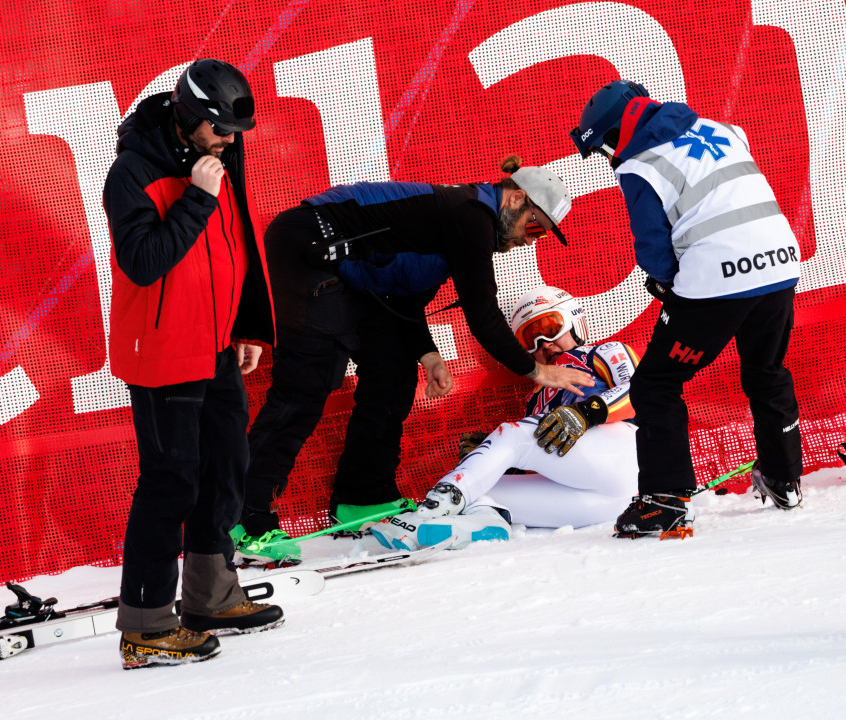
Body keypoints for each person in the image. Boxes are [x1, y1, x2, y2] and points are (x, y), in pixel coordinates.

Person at [230, 158, 595, 564]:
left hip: (345, 267)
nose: (530, 241)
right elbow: (483, 315)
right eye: (534, 227)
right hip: (308, 246)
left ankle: (362, 496)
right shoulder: (471, 215)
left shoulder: (461, 219)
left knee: (392, 370)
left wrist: (428, 354)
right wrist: (537, 370)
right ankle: (241, 518)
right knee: (305, 387)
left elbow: (399, 298)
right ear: (515, 198)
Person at [102, 59, 283, 669]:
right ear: (186, 117)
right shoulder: (133, 170)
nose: (231, 143)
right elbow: (145, 262)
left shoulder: (221, 155)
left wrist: (249, 324)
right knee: (171, 480)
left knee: (227, 465)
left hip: (215, 343)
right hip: (160, 353)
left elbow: (241, 239)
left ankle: (208, 596)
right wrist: (196, 200)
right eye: (220, 131)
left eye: (236, 132)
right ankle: (147, 624)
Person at [568, 80, 805, 538]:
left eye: (605, 143)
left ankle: (664, 500)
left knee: (656, 384)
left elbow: (653, 249)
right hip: (780, 262)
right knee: (766, 369)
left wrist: (670, 283)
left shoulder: (640, 164)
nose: (608, 154)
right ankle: (784, 479)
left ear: (621, 127)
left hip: (718, 274)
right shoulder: (723, 128)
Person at [370, 286, 642, 549]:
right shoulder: (535, 400)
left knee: (510, 435)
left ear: (574, 322)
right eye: (530, 340)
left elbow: (642, 392)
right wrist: (497, 463)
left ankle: (434, 505)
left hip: (629, 460)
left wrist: (584, 413)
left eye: (550, 329)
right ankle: (479, 525)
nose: (544, 345)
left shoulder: (604, 352)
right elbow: (554, 466)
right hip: (603, 503)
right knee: (481, 490)